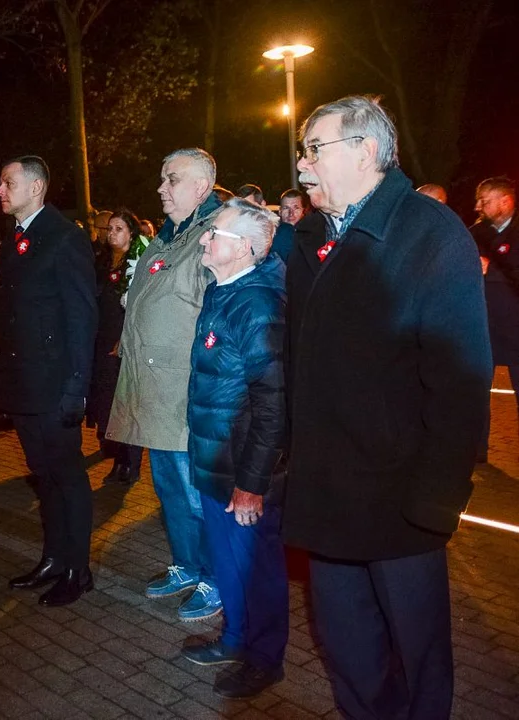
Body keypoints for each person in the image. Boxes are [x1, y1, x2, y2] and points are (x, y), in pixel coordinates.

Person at [285, 96, 491, 718]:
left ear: (366, 152)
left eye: (314, 150)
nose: (302, 168)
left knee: (416, 651)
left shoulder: (430, 235)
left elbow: (461, 378)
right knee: (348, 648)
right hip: (328, 491)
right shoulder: (310, 236)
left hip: (402, 500)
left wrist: (437, 497)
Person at [107, 148, 224, 622]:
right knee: (169, 488)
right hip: (152, 387)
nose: (161, 188)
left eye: (170, 179)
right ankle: (186, 563)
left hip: (186, 391)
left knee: (197, 492)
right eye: (161, 178)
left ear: (201, 187)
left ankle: (216, 578)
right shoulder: (165, 239)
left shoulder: (215, 236)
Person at [181, 199, 288, 699]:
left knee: (257, 570)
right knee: (229, 566)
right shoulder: (221, 291)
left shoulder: (259, 305)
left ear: (244, 247)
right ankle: (234, 639)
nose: (204, 240)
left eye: (214, 234)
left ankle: (265, 659)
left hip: (242, 472)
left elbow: (272, 405)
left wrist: (253, 483)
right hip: (214, 461)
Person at [0, 155, 98, 606]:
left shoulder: (63, 238)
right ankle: (54, 557)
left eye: (7, 182)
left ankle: (78, 568)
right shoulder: (15, 239)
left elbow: (82, 318)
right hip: (24, 385)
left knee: (68, 477)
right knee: (44, 477)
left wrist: (77, 386)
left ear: (35, 187)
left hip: (55, 386)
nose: (0, 191)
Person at [90, 208, 143, 485]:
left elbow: (140, 305)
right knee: (110, 404)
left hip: (124, 340)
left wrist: (124, 337)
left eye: (119, 228)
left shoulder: (138, 261)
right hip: (103, 338)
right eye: (109, 229)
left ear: (131, 232)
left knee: (127, 404)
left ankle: (131, 463)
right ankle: (118, 460)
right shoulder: (102, 261)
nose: (112, 234)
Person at [469, 177, 519, 461]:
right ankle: (478, 453)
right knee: (476, 391)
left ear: (505, 201)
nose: (478, 206)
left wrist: (493, 272)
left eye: (484, 201)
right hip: (484, 329)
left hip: (516, 329)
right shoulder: (476, 234)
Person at [271, 189, 308, 263]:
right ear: (280, 212)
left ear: (303, 211)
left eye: (296, 208)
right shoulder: (273, 235)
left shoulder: (313, 235)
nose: (291, 213)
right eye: (286, 208)